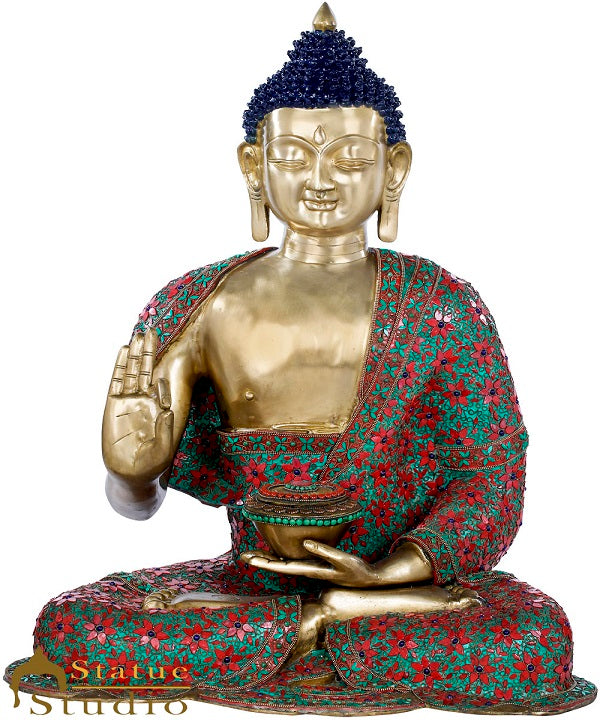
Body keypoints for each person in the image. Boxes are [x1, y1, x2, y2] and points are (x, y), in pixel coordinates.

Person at [5, 4, 596, 715]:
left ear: (394, 170)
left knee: (533, 637)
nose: (321, 180)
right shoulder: (198, 306)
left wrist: (393, 571)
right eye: (293, 156)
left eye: (350, 159)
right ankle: (322, 626)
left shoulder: (441, 305)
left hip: (401, 583)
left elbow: (492, 479)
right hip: (249, 585)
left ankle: (308, 627)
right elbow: (136, 506)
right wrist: (132, 474)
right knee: (77, 627)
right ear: (253, 165)